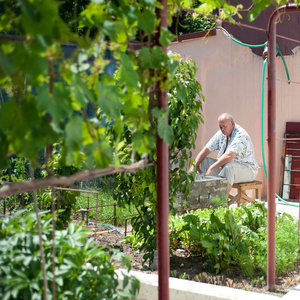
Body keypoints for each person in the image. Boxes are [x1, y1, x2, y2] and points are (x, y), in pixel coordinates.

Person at [190, 113, 259, 196]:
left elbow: (229, 156)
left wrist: (212, 168)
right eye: (220, 127)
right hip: (225, 167)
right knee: (202, 162)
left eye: (224, 126)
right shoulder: (221, 134)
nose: (222, 129)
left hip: (248, 170)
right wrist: (193, 166)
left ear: (232, 123)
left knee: (229, 167)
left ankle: (221, 204)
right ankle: (195, 198)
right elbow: (205, 150)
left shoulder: (240, 134)